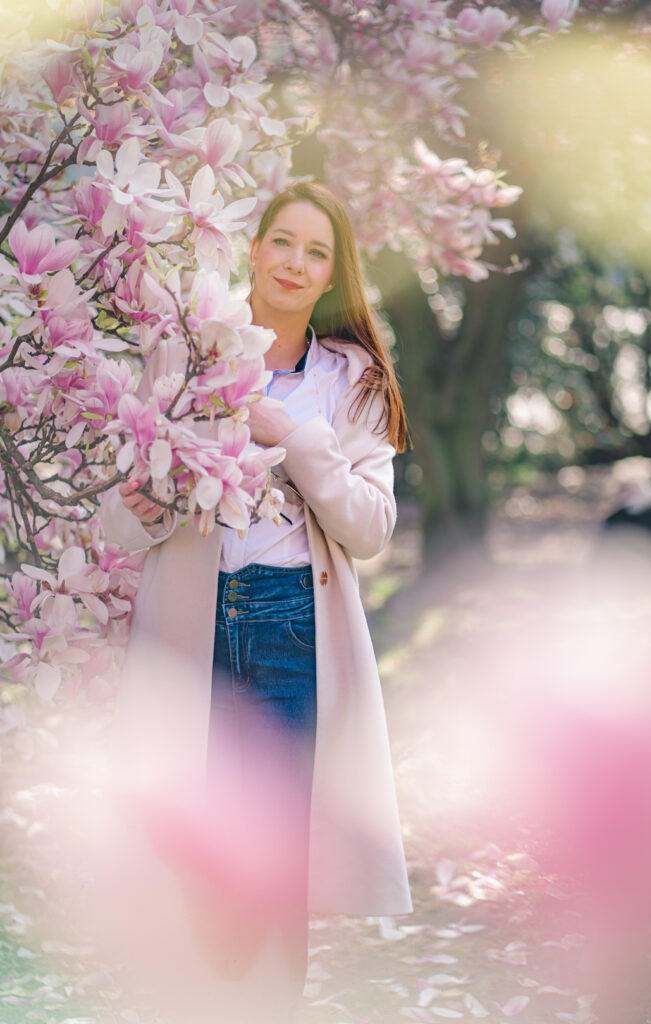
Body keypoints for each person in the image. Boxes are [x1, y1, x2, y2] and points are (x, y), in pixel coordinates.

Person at [99, 181, 413, 1024]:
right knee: (198, 859)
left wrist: (295, 438)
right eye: (283, 241)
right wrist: (144, 500)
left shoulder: (353, 381)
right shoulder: (189, 354)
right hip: (193, 626)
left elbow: (371, 527)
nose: (294, 263)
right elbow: (123, 521)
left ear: (331, 276)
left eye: (316, 252)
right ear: (253, 247)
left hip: (291, 629)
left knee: (275, 861)